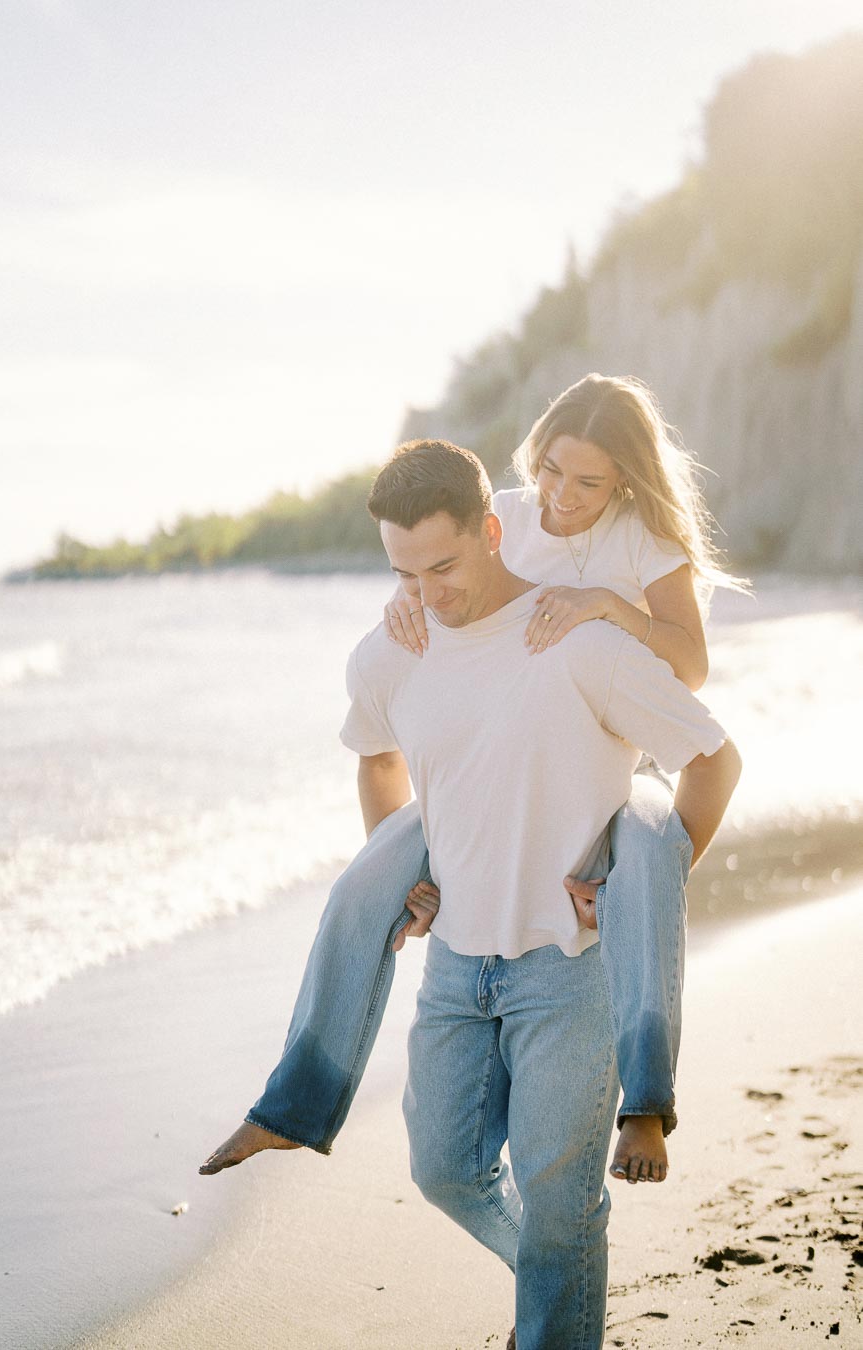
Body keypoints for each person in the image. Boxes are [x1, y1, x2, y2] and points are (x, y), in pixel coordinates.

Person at [200, 375, 744, 1185]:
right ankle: (295, 1102)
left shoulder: (639, 538)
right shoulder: (513, 513)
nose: (561, 495)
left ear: (622, 481)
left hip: (615, 752)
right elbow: (440, 559)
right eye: (552, 468)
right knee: (364, 882)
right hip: (491, 760)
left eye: (587, 482)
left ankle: (647, 1105)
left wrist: (602, 605)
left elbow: (692, 666)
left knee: (652, 857)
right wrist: (406, 596)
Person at [263, 438, 742, 1347]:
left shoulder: (576, 644)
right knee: (445, 1171)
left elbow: (714, 761)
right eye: (405, 573)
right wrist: (408, 873)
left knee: (562, 1208)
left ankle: (559, 1297)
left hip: (569, 977)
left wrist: (647, 888)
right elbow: (377, 755)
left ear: (491, 531)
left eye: (443, 566)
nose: (428, 595)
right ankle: (563, 1277)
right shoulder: (391, 653)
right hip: (455, 972)